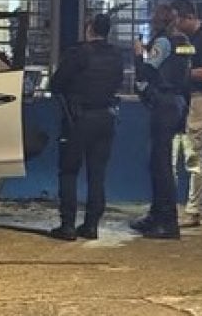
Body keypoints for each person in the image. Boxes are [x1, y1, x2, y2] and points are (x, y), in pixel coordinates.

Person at [47, 13, 124, 241]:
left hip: (79, 119)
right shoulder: (116, 55)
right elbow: (118, 82)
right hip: (106, 117)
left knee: (69, 171)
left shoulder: (78, 53)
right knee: (97, 174)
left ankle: (68, 225)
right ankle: (91, 226)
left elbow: (56, 83)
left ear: (89, 28)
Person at [128, 4, 194, 239]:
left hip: (164, 104)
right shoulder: (184, 42)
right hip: (178, 103)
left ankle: (166, 221)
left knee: (160, 165)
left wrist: (138, 54)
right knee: (161, 162)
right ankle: (157, 215)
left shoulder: (164, 42)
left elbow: (145, 72)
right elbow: (182, 73)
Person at [170, 0, 202, 228]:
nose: (175, 24)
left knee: (194, 159)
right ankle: (168, 207)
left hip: (197, 102)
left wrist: (182, 72)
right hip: (180, 101)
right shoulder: (182, 39)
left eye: (178, 20)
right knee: (171, 157)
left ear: (189, 17)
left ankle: (193, 211)